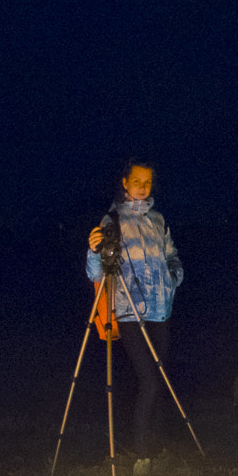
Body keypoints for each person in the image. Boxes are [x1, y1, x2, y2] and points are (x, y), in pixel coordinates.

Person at [86, 160, 183, 458]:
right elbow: (96, 273)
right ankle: (142, 456)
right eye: (137, 181)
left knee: (160, 378)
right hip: (129, 312)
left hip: (160, 311)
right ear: (125, 183)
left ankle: (157, 445)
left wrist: (173, 278)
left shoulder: (158, 220)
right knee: (149, 382)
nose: (143, 187)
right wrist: (93, 251)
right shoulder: (112, 220)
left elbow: (172, 256)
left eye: (148, 182)